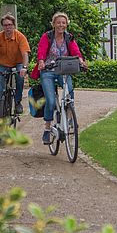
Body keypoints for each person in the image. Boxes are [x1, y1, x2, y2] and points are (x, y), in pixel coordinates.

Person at [30, 12, 86, 145]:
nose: (61, 25)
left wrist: (81, 61)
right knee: (50, 100)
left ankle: (70, 117)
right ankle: (47, 129)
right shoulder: (47, 37)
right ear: (54, 24)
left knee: (69, 93)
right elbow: (41, 51)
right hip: (48, 71)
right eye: (58, 22)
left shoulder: (69, 38)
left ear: (66, 24)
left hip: (63, 70)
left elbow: (76, 51)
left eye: (64, 23)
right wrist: (41, 61)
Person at [0, 14, 30, 134]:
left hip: (18, 64)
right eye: (5, 25)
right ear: (2, 27)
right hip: (4, 65)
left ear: (14, 25)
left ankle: (18, 102)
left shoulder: (20, 37)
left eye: (10, 25)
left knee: (20, 78)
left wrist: (24, 68)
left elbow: (25, 54)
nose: (8, 27)